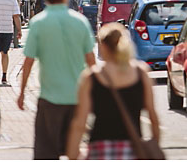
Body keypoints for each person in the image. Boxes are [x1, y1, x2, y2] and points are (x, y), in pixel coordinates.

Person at [18, 0, 96, 159]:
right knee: (74, 149)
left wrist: (22, 92)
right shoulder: (80, 22)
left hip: (49, 98)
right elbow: (91, 61)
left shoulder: (38, 23)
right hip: (77, 97)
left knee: (46, 152)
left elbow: (28, 62)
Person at [65, 23, 160, 159]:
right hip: (132, 151)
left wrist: (73, 155)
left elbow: (80, 122)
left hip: (99, 150)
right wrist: (154, 145)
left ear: (103, 46)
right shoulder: (141, 73)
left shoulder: (91, 77)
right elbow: (153, 116)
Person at [0, 0, 23, 84]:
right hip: (7, 29)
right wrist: (19, 30)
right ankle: (4, 76)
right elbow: (16, 16)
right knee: (5, 53)